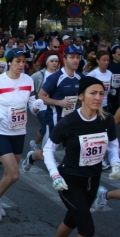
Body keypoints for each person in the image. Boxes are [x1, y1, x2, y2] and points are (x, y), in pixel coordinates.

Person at [43, 76, 120, 237]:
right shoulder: (68, 122)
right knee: (87, 230)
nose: (98, 97)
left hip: (93, 179)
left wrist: (116, 163)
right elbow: (48, 150)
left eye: (101, 93)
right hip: (69, 181)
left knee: (71, 221)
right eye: (93, 93)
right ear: (81, 96)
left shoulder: (107, 120)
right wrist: (55, 175)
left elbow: (113, 146)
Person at [0, 48, 42, 222]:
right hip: (0, 131)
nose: (21, 65)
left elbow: (31, 104)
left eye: (23, 62)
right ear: (10, 62)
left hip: (19, 131)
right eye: (18, 61)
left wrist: (36, 105)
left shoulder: (28, 80)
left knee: (8, 173)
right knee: (14, 174)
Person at [22, 51, 59, 172]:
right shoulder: (39, 75)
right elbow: (29, 84)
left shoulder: (60, 75)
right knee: (49, 128)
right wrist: (31, 100)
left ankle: (36, 147)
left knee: (46, 128)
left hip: (55, 107)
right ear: (47, 63)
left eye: (56, 61)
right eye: (52, 61)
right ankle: (47, 155)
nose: (54, 63)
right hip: (41, 107)